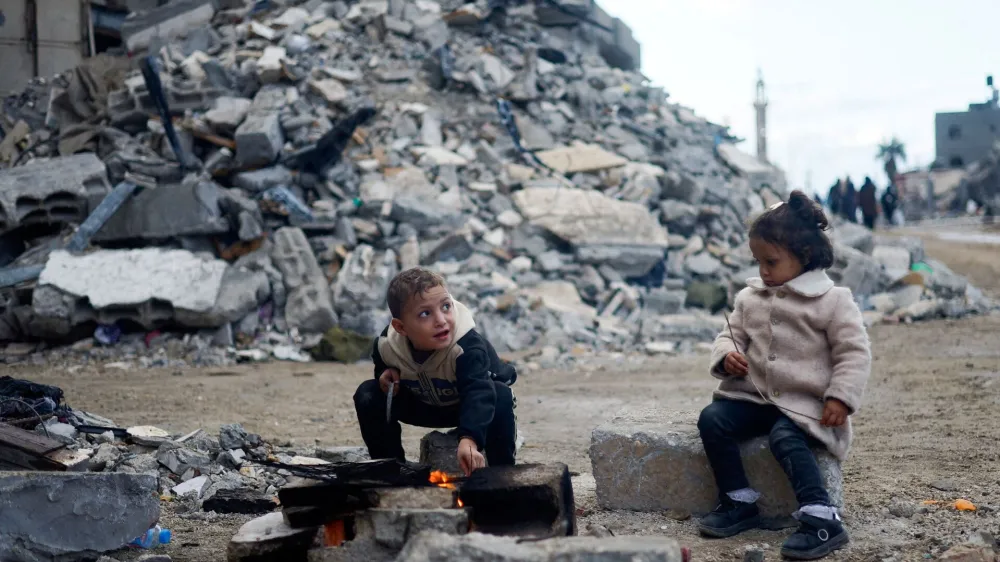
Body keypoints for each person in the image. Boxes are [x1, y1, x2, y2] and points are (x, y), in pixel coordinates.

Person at [696, 191, 872, 560]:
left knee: (784, 438)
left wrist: (840, 397)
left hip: (804, 404)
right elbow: (730, 334)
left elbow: (853, 352)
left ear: (805, 256)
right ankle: (738, 500)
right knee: (713, 420)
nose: (762, 270)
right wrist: (728, 355)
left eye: (771, 261)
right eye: (757, 260)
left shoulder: (833, 300)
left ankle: (821, 518)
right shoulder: (750, 297)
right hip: (754, 396)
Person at [353, 267, 518, 476]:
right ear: (401, 328)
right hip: (422, 403)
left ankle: (501, 474)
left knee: (499, 394)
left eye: (446, 307)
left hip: (467, 406)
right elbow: (382, 362)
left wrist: (469, 438)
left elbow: (479, 393)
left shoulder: (466, 347)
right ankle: (389, 470)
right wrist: (385, 373)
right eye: (425, 314)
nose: (441, 320)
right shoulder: (388, 344)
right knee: (368, 393)